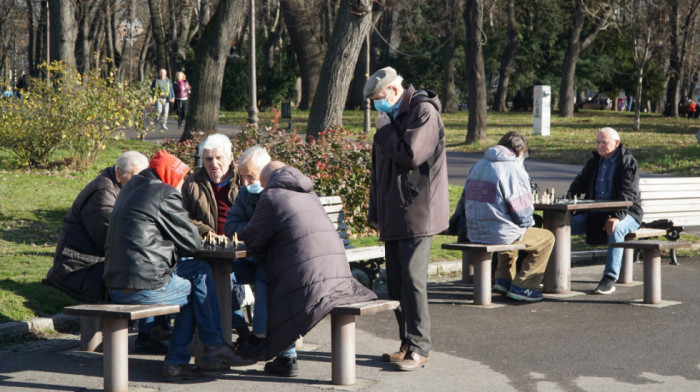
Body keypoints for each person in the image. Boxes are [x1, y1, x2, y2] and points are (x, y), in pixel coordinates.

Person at [104, 150, 253, 381]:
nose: (183, 184)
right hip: (141, 285)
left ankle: (193, 356)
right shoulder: (163, 192)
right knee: (197, 289)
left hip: (117, 280)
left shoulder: (131, 189)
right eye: (181, 178)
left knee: (199, 273)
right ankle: (203, 350)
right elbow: (192, 243)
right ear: (170, 176)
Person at [240, 162, 377, 377]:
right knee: (271, 273)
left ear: (268, 181)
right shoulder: (309, 194)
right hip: (338, 274)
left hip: (311, 276)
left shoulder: (272, 195)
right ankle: (284, 354)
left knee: (269, 274)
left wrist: (243, 233)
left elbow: (254, 240)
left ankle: (261, 339)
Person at [363, 66, 449, 371]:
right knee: (397, 282)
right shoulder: (392, 117)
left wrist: (385, 130)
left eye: (378, 97)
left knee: (413, 280)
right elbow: (379, 172)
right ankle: (406, 342)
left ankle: (420, 347)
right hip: (395, 214)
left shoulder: (422, 111)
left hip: (418, 212)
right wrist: (377, 212)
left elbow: (412, 155)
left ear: (394, 91)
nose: (376, 104)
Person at [44, 151, 171, 352]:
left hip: (94, 261)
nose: (141, 181)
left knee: (152, 269)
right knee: (143, 273)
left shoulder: (120, 189)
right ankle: (149, 334)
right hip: (80, 266)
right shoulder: (102, 193)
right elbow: (111, 239)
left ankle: (155, 329)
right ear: (119, 174)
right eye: (136, 176)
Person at [224, 146, 296, 377]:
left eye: (250, 177)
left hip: (282, 261)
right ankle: (240, 333)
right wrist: (255, 230)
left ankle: (273, 346)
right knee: (218, 271)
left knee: (268, 274)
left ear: (265, 173)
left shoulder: (284, 192)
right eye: (242, 176)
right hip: (254, 257)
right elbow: (231, 227)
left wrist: (255, 231)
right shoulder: (245, 194)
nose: (245, 183)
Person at [463, 132, 555, 302]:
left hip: (474, 230)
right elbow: (522, 213)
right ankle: (524, 286)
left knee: (510, 231)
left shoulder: (479, 164)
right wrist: (527, 223)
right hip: (498, 233)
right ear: (520, 150)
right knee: (547, 238)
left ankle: (503, 279)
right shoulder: (513, 169)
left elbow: (464, 198)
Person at [181, 133, 250, 338]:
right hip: (208, 250)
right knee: (216, 275)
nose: (214, 164)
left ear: (230, 158)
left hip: (243, 249)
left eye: (219, 158)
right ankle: (241, 332)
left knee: (227, 276)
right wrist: (206, 232)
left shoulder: (243, 180)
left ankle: (240, 333)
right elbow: (183, 217)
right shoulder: (193, 183)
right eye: (208, 159)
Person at [567, 127, 642, 295]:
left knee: (615, 228)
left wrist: (616, 216)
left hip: (628, 213)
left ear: (616, 143)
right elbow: (578, 183)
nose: (599, 146)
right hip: (595, 213)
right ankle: (549, 272)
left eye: (604, 142)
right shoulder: (594, 161)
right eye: (597, 142)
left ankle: (609, 278)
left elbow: (628, 194)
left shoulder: (627, 162)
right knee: (562, 227)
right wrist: (569, 203)